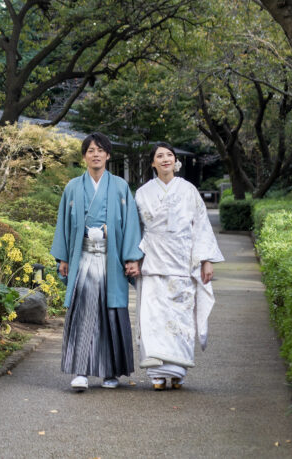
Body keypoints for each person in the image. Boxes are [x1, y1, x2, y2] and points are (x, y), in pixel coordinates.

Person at [52, 132, 143, 392]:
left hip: (110, 258)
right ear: (84, 156)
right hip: (82, 257)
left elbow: (130, 225)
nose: (95, 154)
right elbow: (63, 224)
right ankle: (81, 371)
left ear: (108, 155)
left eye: (100, 150)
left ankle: (110, 372)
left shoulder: (120, 186)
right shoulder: (72, 187)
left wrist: (131, 258)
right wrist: (63, 258)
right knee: (83, 313)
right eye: (91, 150)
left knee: (110, 313)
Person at [134, 142, 224, 391]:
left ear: (176, 161)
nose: (165, 159)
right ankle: (157, 375)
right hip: (152, 262)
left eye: (169, 155)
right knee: (153, 318)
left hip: (183, 263)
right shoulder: (142, 193)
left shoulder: (189, 190)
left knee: (181, 319)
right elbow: (135, 229)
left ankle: (178, 371)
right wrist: (132, 259)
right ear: (152, 163)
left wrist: (206, 260)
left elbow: (202, 227)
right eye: (159, 156)